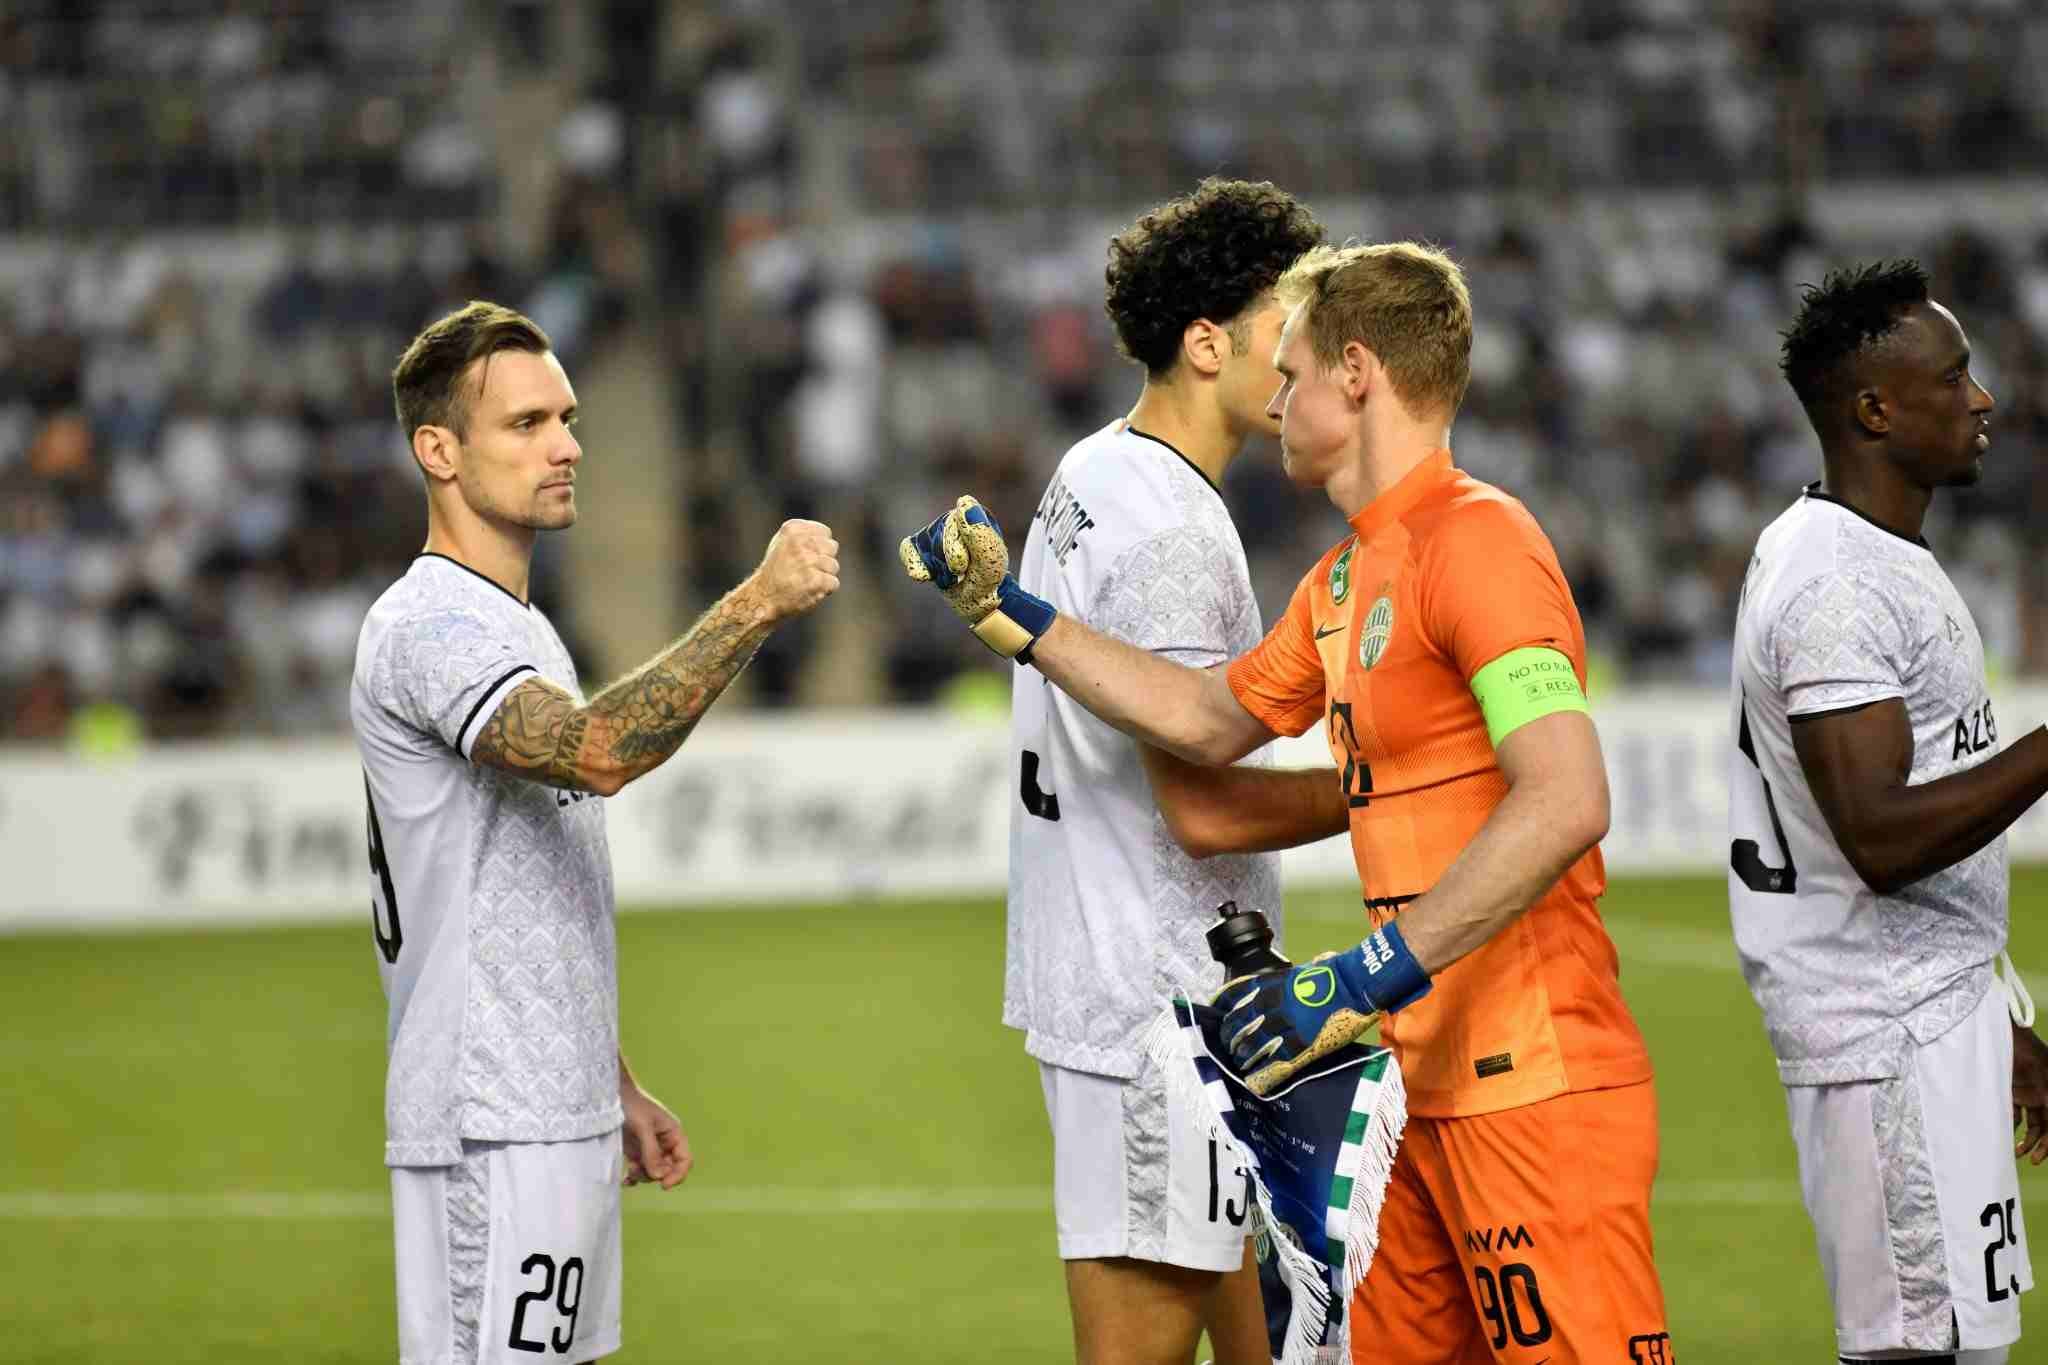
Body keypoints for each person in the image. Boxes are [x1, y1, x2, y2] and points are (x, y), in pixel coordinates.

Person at [903, 242, 1671, 1362]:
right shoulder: (1345, 579)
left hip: (1531, 1079)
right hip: (1406, 1090)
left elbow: (1565, 796)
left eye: (1294, 369)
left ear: (1354, 374)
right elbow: (1209, 723)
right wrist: (1012, 617)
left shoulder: (1481, 544)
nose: (1275, 395)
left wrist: (1363, 971)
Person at [351, 301, 838, 1364]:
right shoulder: (429, 624)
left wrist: (603, 1079)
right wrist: (753, 602)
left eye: (565, 416)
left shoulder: (517, 626)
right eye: (525, 424)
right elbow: (597, 752)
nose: (567, 443)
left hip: (550, 1100)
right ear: (437, 449)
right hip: (486, 1116)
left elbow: (520, 876)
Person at [1003, 178, 1341, 1365]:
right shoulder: (1174, 538)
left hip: (1114, 980)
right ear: (1208, 344)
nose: (1304, 354)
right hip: (1160, 1011)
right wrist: (1382, 785)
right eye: (1283, 325)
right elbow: (1201, 806)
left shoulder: (1099, 469)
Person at [1731, 259, 2048, 1364]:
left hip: (1930, 1018)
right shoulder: (1833, 588)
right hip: (1882, 1038)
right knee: (1917, 1350)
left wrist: (1992, 1015)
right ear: (1873, 408)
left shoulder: (1872, 556)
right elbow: (1876, 836)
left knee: (1965, 1343)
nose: (1981, 399)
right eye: (1953, 376)